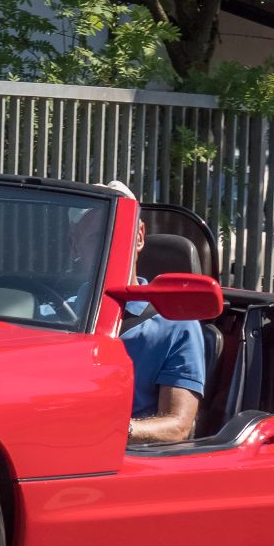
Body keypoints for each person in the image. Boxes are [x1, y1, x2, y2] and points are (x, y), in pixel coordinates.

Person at [68, 184, 207, 445]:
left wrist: (115, 429)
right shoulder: (51, 316)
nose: (107, 250)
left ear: (139, 236)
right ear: (74, 245)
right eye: (94, 238)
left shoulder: (175, 321)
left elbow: (178, 426)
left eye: (116, 237)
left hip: (131, 458)